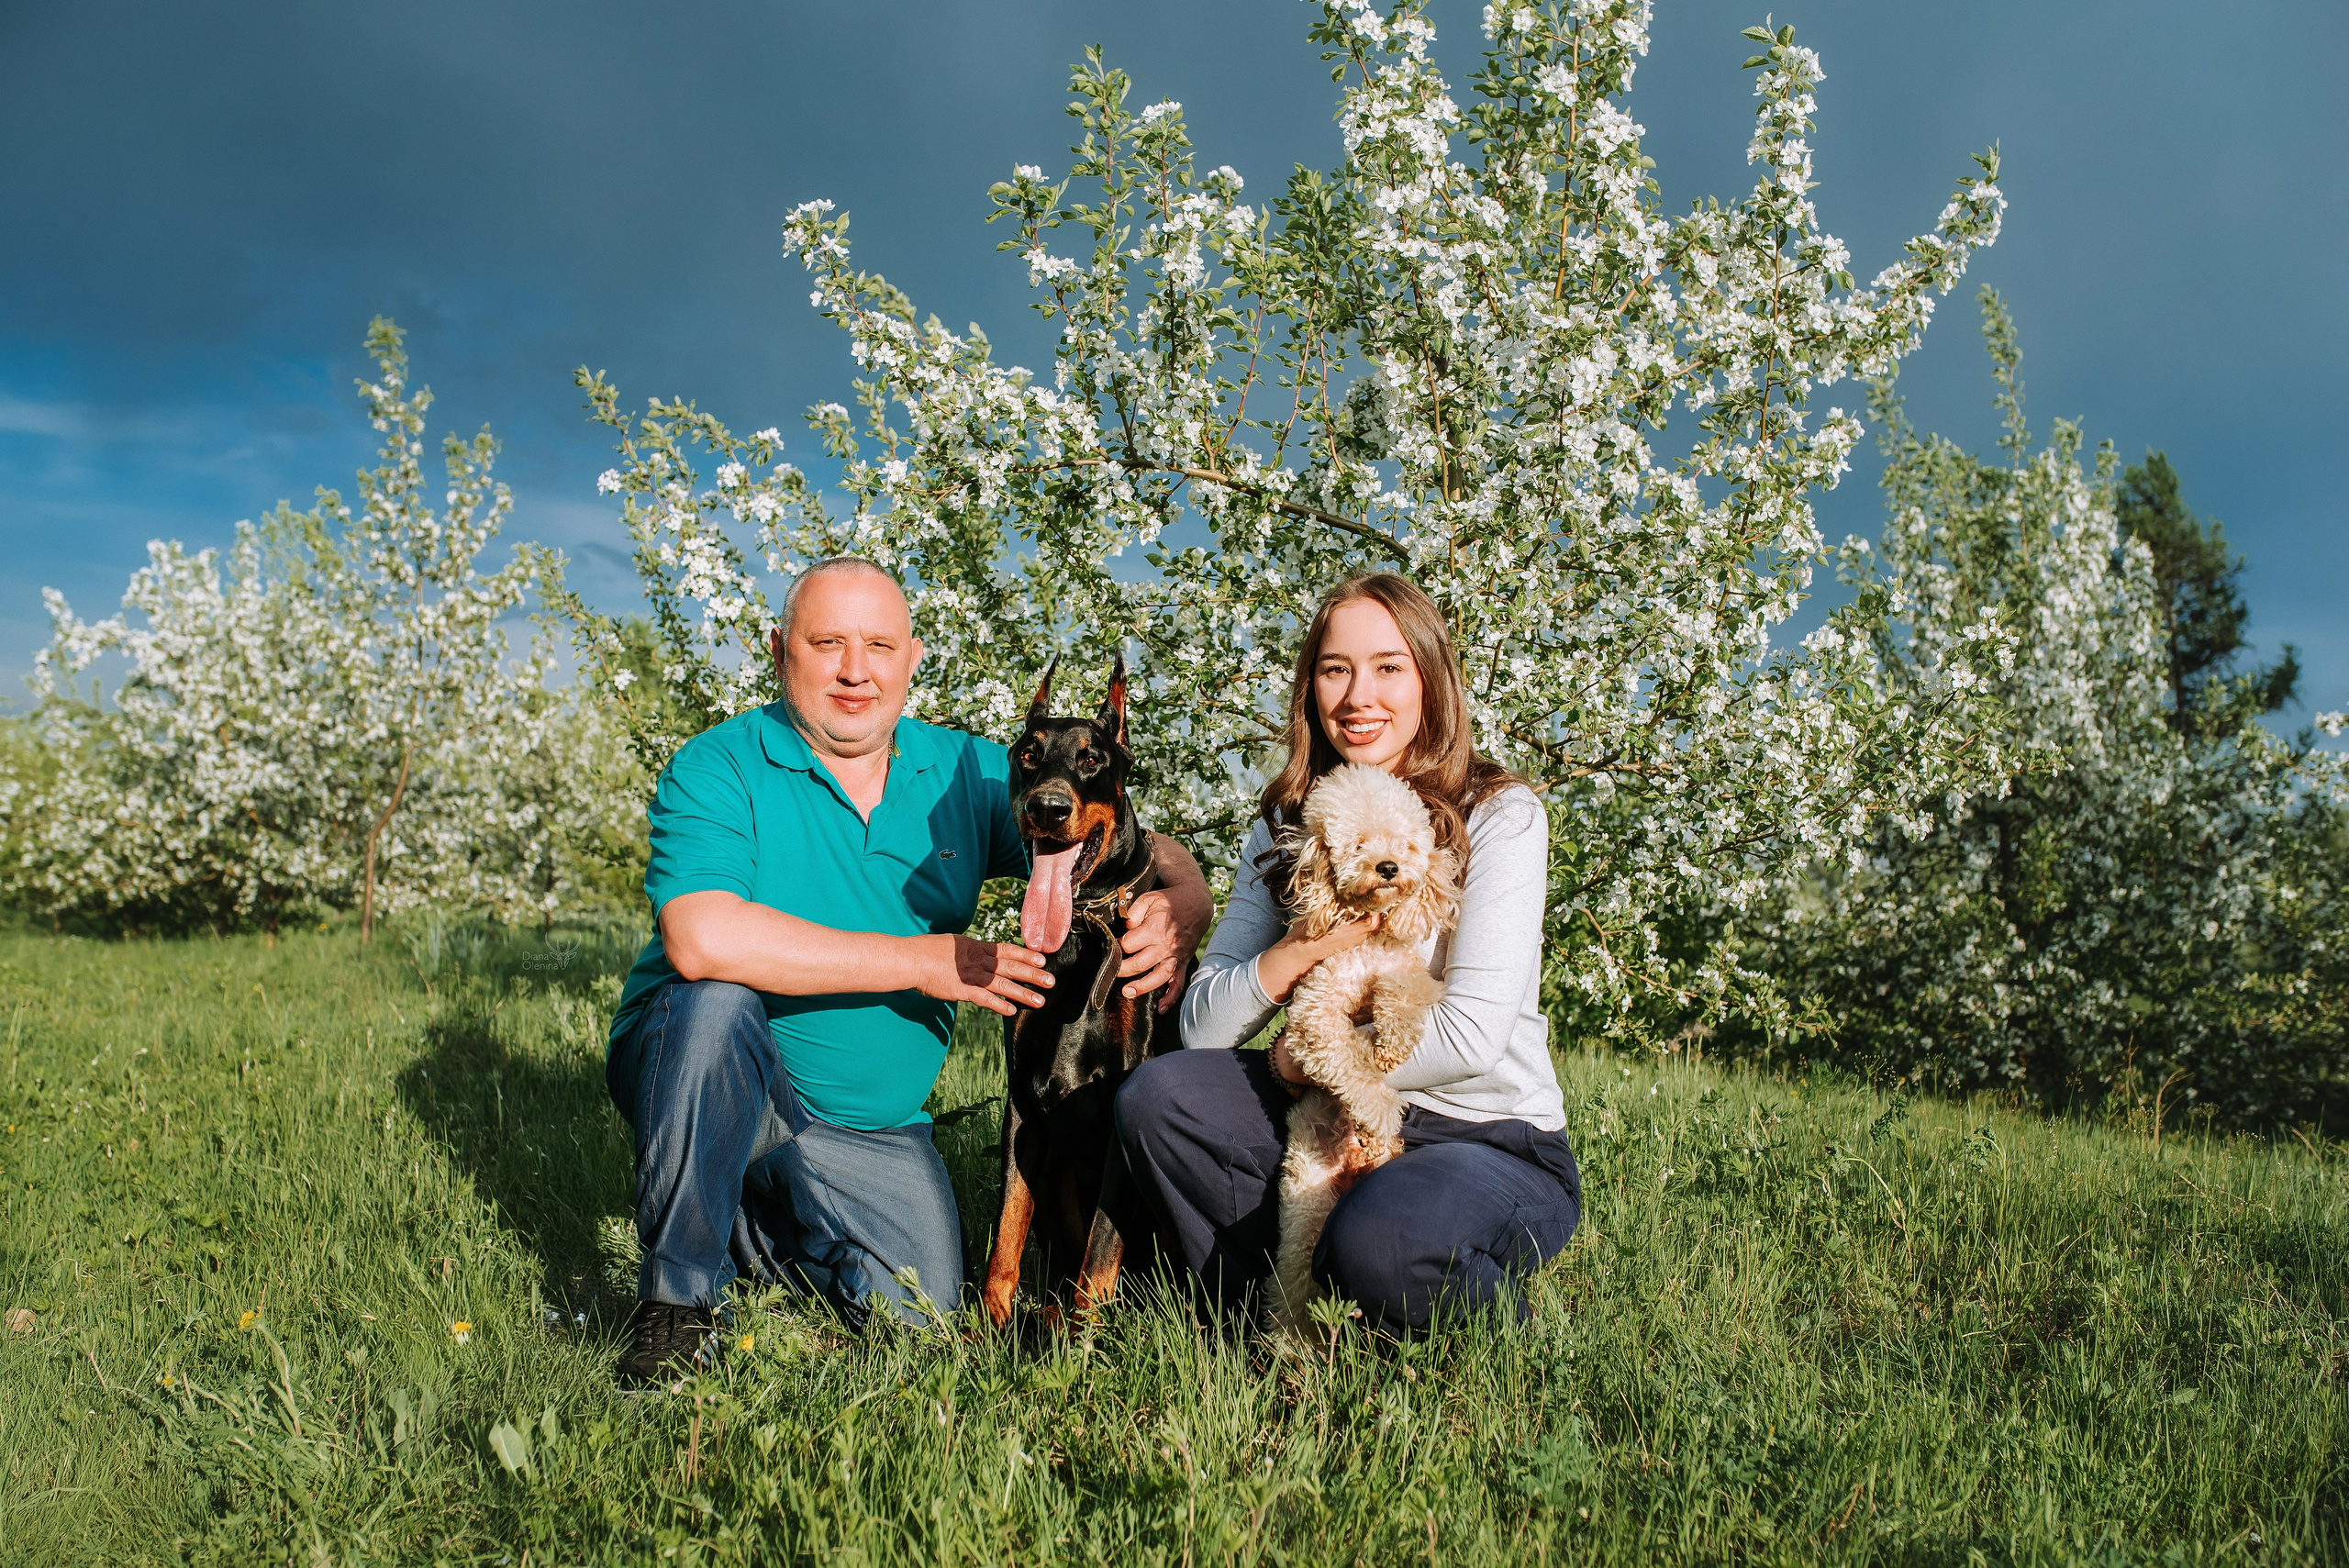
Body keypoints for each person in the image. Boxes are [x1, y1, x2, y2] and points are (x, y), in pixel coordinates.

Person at [604, 559, 1211, 1387]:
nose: (855, 670)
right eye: (828, 643)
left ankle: (743, 1216)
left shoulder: (963, 771)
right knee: (711, 1004)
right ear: (779, 650)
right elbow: (699, 937)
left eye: (879, 646)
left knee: (921, 1319)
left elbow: (1124, 830)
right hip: (722, 1073)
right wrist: (923, 962)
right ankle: (676, 1303)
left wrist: (1188, 897)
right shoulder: (720, 765)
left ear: (912, 658)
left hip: (867, 1125)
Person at [1115, 573, 1580, 1337]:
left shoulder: (1501, 814)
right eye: (1336, 669)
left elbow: (1470, 1036)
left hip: (1488, 1136)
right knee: (1159, 1099)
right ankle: (1272, 1319)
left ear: (1430, 678)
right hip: (1328, 1114)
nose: (1359, 695)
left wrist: (1302, 1060)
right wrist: (1298, 949)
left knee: (1383, 1239)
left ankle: (1495, 1324)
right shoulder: (1285, 823)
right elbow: (1201, 1025)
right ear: (1312, 686)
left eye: (1388, 666)